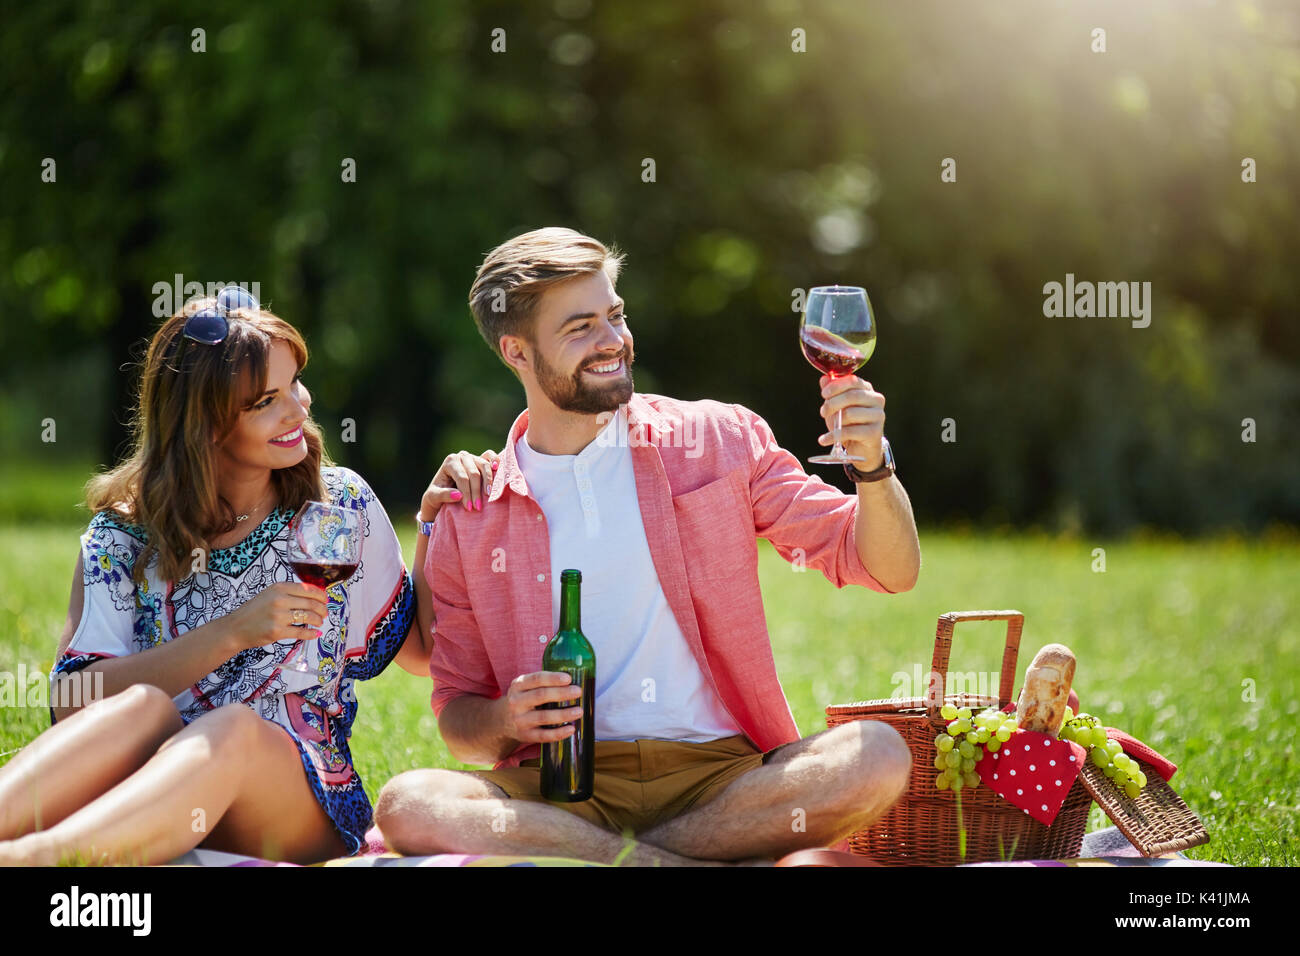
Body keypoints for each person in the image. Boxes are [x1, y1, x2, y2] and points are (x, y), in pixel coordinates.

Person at [375, 227, 922, 865]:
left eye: (615, 315)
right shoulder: (475, 507)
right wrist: (503, 720)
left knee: (877, 757)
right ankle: (667, 862)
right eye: (580, 328)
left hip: (724, 779)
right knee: (407, 803)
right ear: (516, 351)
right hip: (561, 785)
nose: (612, 341)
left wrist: (874, 468)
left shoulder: (717, 440)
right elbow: (458, 716)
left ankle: (616, 859)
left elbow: (889, 568)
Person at [0, 288, 494, 866]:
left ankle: (34, 861)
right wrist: (231, 632)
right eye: (267, 400)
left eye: (295, 384)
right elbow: (72, 702)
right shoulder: (126, 538)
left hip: (298, 800)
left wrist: (435, 527)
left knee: (232, 728)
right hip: (153, 782)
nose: (299, 409)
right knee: (141, 708)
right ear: (205, 426)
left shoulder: (338, 509)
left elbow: (419, 651)